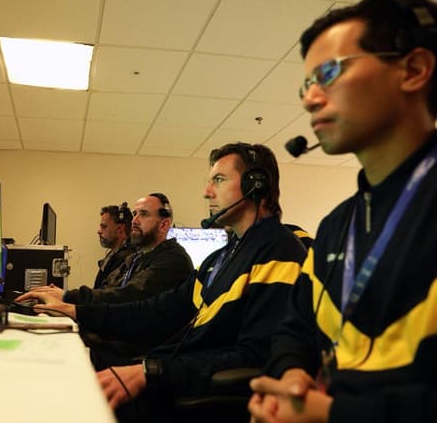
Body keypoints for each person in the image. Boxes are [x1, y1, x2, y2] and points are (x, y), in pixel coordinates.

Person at [20, 143, 307, 422]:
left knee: (68, 406)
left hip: (200, 397)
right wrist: (75, 310)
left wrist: (151, 371)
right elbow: (156, 310)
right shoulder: (220, 260)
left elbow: (257, 356)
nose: (207, 192)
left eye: (218, 180)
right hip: (176, 376)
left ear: (256, 185)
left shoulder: (278, 253)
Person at [248, 0, 437, 422]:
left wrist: (331, 414)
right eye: (306, 85)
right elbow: (293, 329)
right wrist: (291, 377)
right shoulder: (338, 225)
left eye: (329, 73)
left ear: (414, 70)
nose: (310, 99)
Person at [25, 193, 194, 305]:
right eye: (135, 213)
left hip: (134, 351)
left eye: (143, 214)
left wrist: (68, 299)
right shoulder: (138, 257)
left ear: (164, 224)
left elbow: (126, 297)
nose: (134, 220)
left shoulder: (172, 259)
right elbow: (108, 292)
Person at [93, 202, 135, 289]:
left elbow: (107, 295)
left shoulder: (126, 259)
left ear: (119, 229)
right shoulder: (115, 254)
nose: (99, 231)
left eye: (104, 227)